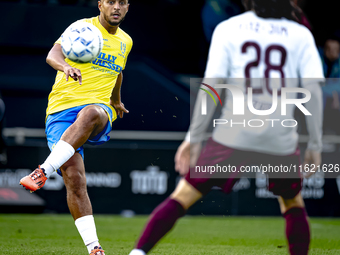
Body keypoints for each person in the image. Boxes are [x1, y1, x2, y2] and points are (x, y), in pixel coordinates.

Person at [129, 0, 324, 254]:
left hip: (234, 132)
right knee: (292, 202)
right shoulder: (300, 34)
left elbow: (211, 87)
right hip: (280, 134)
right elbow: (314, 92)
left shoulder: (229, 28)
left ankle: (138, 252)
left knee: (183, 195)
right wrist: (315, 145)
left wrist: (193, 138)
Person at [19, 0, 131, 254]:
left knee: (91, 112)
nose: (116, 7)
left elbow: (119, 70)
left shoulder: (126, 41)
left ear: (127, 7)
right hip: (61, 111)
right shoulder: (82, 27)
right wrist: (66, 66)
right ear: (100, 4)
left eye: (122, 3)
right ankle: (95, 248)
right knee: (74, 179)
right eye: (111, 2)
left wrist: (115, 101)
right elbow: (53, 54)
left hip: (99, 109)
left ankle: (43, 171)